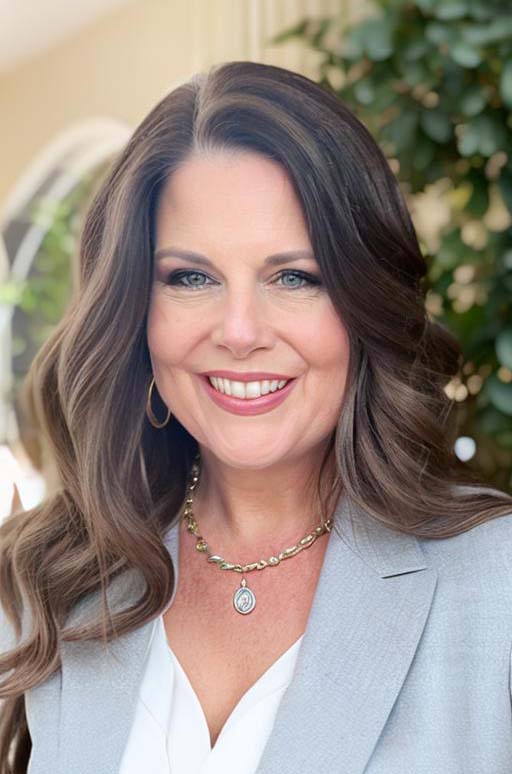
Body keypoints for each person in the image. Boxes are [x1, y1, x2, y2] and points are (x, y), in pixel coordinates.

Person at [1, 60, 512, 774]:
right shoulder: (45, 576)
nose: (240, 332)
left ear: (365, 303)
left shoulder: (496, 585)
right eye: (192, 277)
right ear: (137, 309)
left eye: (295, 277)